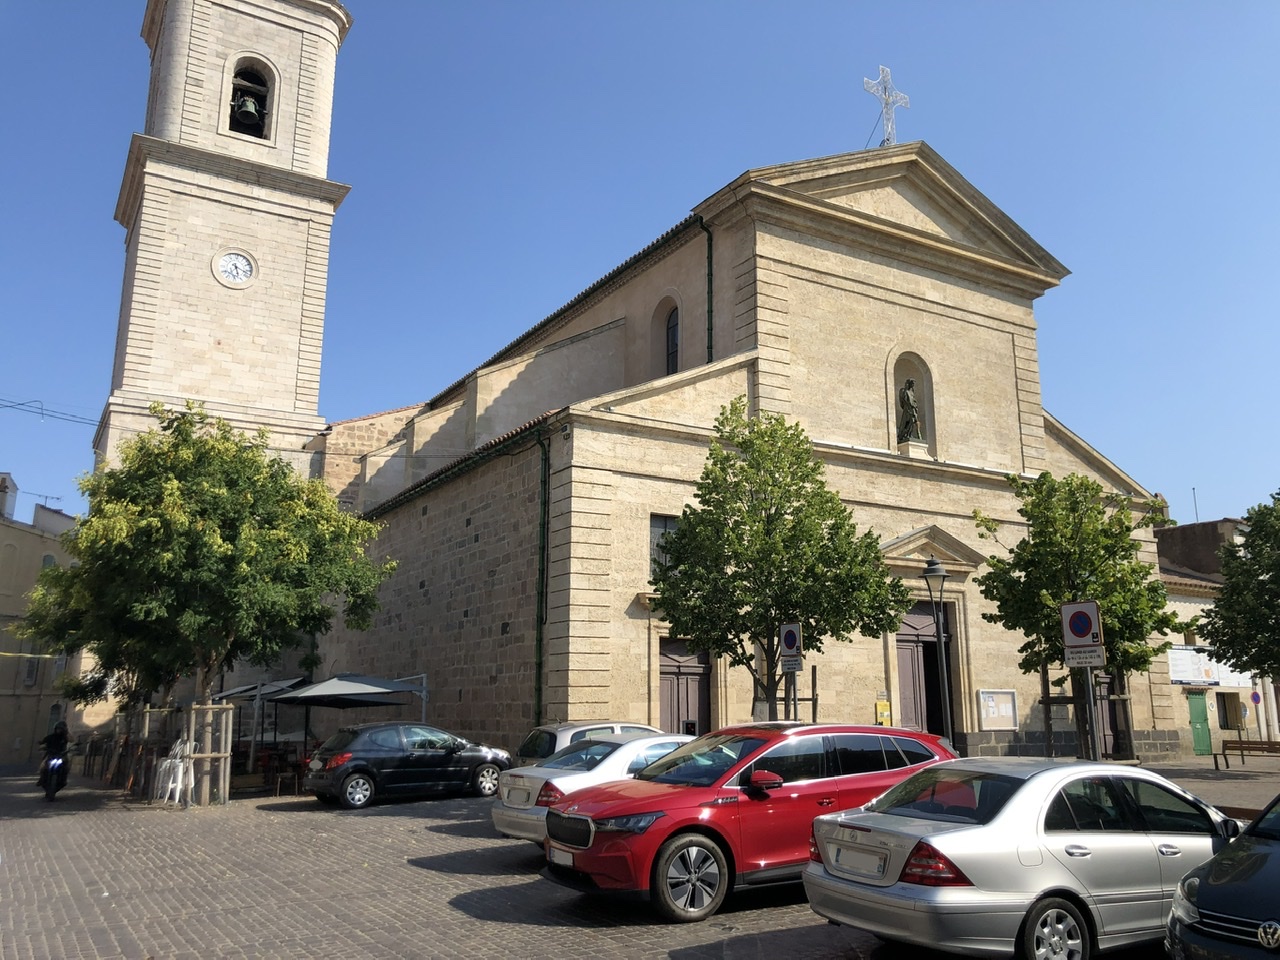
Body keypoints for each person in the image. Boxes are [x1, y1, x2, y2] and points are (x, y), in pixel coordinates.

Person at [37, 720, 70, 788]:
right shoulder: (50, 737)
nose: (59, 730)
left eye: (61, 729)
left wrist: (67, 732)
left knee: (66, 765)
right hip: (50, 754)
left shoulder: (64, 738)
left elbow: (72, 740)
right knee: (43, 765)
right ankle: (41, 778)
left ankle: (64, 779)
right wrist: (42, 747)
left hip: (61, 755)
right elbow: (43, 743)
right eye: (58, 729)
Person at [897, 378, 923, 443]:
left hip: (913, 409)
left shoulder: (912, 391)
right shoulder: (904, 391)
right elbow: (903, 401)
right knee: (907, 422)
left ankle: (909, 434)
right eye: (912, 383)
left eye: (914, 384)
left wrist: (914, 405)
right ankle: (904, 435)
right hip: (907, 409)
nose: (913, 385)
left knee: (912, 422)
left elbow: (913, 400)